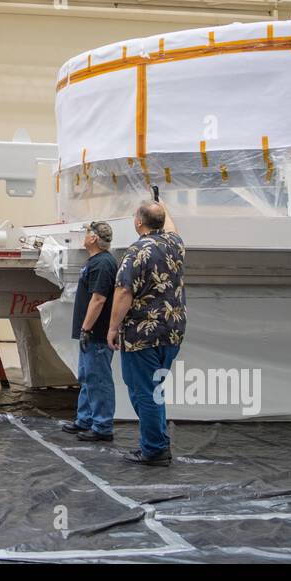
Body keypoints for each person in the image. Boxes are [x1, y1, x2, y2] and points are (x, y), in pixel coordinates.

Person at [107, 199, 186, 466]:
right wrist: (162, 204)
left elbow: (123, 292)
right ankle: (158, 442)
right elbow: (171, 226)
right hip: (172, 330)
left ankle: (154, 449)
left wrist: (113, 327)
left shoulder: (136, 252)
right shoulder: (175, 244)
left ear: (138, 222)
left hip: (142, 333)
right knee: (155, 389)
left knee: (144, 391)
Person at [60, 221, 118, 442]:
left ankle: (102, 426)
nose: (84, 236)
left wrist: (86, 328)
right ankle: (85, 419)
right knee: (87, 377)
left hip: (97, 333)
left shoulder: (103, 264)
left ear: (93, 238)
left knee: (99, 380)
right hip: (91, 334)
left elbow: (99, 299)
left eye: (86, 233)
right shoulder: (96, 261)